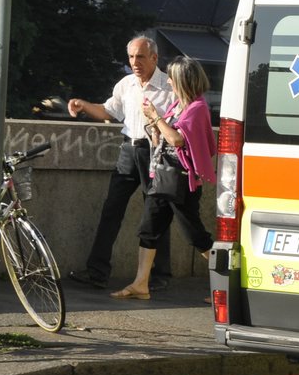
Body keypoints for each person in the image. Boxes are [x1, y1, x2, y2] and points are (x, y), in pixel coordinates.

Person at [67, 35, 173, 290]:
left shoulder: (169, 87)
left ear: (154, 58)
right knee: (111, 210)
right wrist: (83, 105)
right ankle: (97, 272)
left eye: (141, 57)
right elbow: (108, 111)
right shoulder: (126, 84)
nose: (135, 62)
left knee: (156, 214)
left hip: (155, 153)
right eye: (132, 57)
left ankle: (158, 276)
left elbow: (179, 121)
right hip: (129, 149)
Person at [111, 57, 215, 301]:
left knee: (195, 235)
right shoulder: (179, 104)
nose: (168, 80)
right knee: (149, 229)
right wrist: (155, 127)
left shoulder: (197, 108)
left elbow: (178, 140)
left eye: (171, 77)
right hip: (163, 176)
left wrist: (156, 118)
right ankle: (140, 284)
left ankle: (227, 288)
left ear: (182, 80)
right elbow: (166, 139)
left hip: (180, 181)